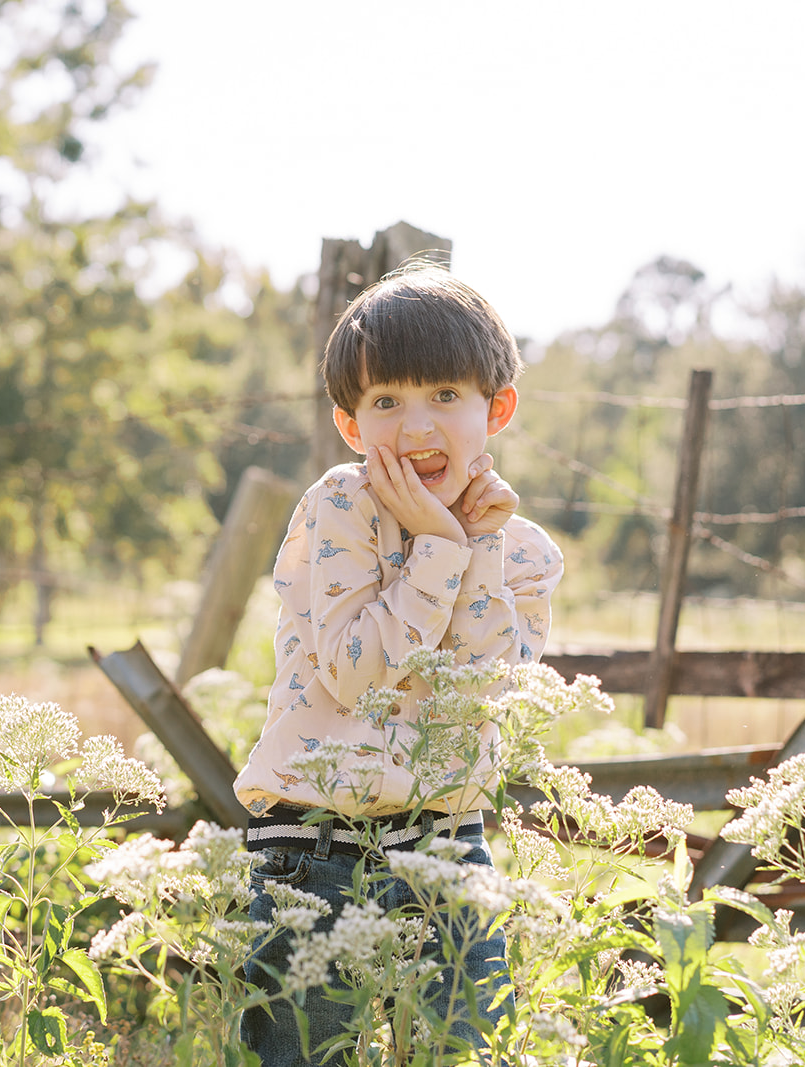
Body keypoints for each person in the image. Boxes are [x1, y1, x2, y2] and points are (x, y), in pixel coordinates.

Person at [233, 263, 564, 1066]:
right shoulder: (341, 505)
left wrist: (473, 545)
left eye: (445, 395)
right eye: (387, 402)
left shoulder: (521, 549)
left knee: (465, 1046)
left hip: (449, 834)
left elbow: (483, 690)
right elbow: (355, 669)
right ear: (352, 425)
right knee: (302, 1053)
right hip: (312, 840)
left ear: (498, 407)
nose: (416, 428)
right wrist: (438, 552)